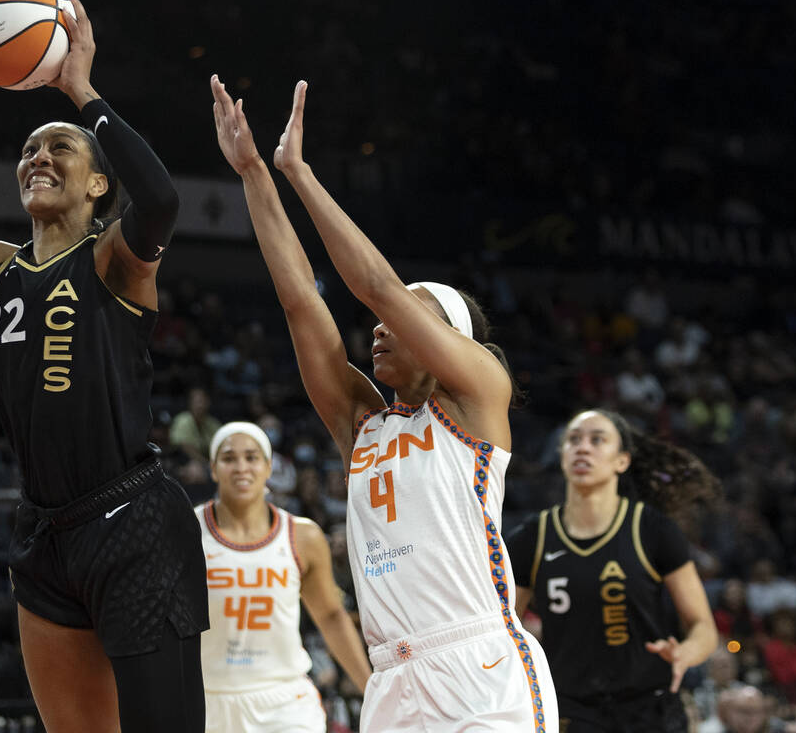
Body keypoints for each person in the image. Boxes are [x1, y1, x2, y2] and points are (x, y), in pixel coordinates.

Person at [0, 0, 206, 733]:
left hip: (132, 517)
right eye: (28, 150)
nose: (38, 158)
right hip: (43, 532)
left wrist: (80, 90)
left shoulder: (114, 258)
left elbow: (161, 198)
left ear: (98, 185)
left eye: (60, 149)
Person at [211, 75, 557, 730]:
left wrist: (299, 172)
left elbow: (377, 287)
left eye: (407, 318)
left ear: (448, 340)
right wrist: (254, 173)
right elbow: (301, 301)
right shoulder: (363, 425)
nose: (379, 327)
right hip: (392, 678)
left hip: (478, 663)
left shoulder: (478, 398)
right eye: (383, 322)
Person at [507, 409, 720, 732]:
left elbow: (703, 626)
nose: (583, 447)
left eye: (597, 440)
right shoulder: (531, 537)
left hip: (650, 709)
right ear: (562, 456)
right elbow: (504, 627)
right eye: (573, 440)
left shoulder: (652, 529)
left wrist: (686, 651)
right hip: (571, 712)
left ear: (622, 461)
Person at [198, 421, 371, 732]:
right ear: (213, 468)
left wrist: (370, 692)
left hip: (285, 700)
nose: (241, 467)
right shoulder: (187, 531)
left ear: (268, 468)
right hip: (208, 698)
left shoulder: (303, 536)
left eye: (252, 457)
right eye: (229, 458)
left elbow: (331, 616)